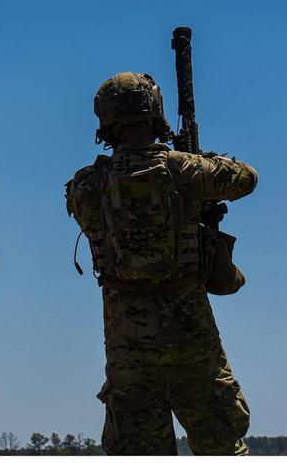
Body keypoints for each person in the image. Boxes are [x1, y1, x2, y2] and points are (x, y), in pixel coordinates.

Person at [65, 73, 257, 455]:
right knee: (221, 447)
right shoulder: (186, 171)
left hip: (128, 351)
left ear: (106, 122)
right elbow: (247, 179)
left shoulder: (86, 186)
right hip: (193, 342)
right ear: (155, 114)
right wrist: (203, 164)